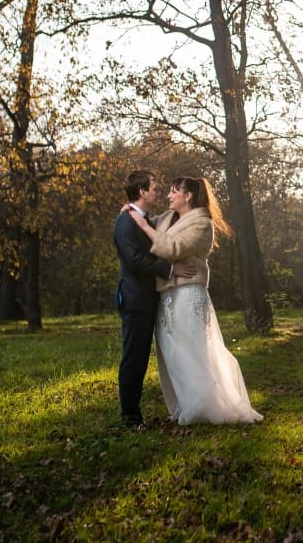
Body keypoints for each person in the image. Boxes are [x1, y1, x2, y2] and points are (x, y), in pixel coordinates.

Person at [125, 176, 262, 424]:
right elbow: (146, 226)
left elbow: (171, 248)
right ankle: (187, 404)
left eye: (173, 191)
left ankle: (206, 407)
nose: (168, 195)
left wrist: (143, 226)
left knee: (193, 349)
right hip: (167, 294)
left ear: (187, 196)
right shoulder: (167, 218)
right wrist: (133, 211)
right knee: (172, 351)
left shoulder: (202, 224)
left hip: (188, 294)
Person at [112, 170, 196, 428]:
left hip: (150, 300)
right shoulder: (125, 222)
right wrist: (170, 270)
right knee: (134, 358)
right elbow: (134, 261)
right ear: (141, 192)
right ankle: (130, 417)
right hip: (135, 301)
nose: (158, 190)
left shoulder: (146, 219)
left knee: (143, 358)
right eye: (154, 187)